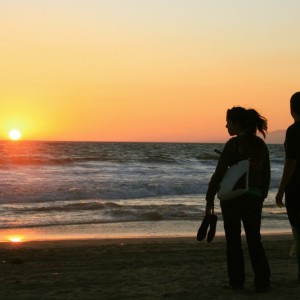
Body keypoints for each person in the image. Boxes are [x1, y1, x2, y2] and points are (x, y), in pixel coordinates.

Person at [205, 106, 271, 293]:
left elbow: (218, 175)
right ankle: (263, 283)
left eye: (229, 122)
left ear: (237, 123)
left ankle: (237, 282)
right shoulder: (261, 145)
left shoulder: (233, 145)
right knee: (254, 240)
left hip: (233, 200)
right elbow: (266, 174)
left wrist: (209, 199)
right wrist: (261, 195)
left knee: (233, 242)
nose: (226, 125)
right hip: (254, 199)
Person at [276, 92, 300, 283]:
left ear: (292, 109)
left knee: (298, 231)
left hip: (297, 189)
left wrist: (281, 189)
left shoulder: (294, 131)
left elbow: (291, 162)